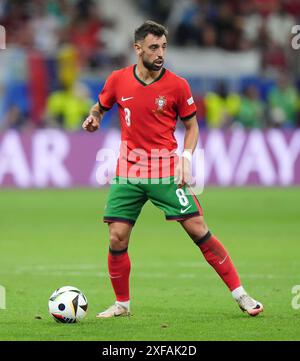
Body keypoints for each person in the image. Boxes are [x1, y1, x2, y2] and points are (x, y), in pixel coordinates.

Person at [82, 20, 263, 318]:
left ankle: (241, 294)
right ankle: (122, 305)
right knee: (117, 236)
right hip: (128, 170)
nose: (160, 53)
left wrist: (186, 158)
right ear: (137, 48)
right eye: (154, 47)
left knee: (198, 229)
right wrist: (94, 119)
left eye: (163, 47)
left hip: (165, 170)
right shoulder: (118, 80)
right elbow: (99, 108)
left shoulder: (178, 85)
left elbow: (192, 126)